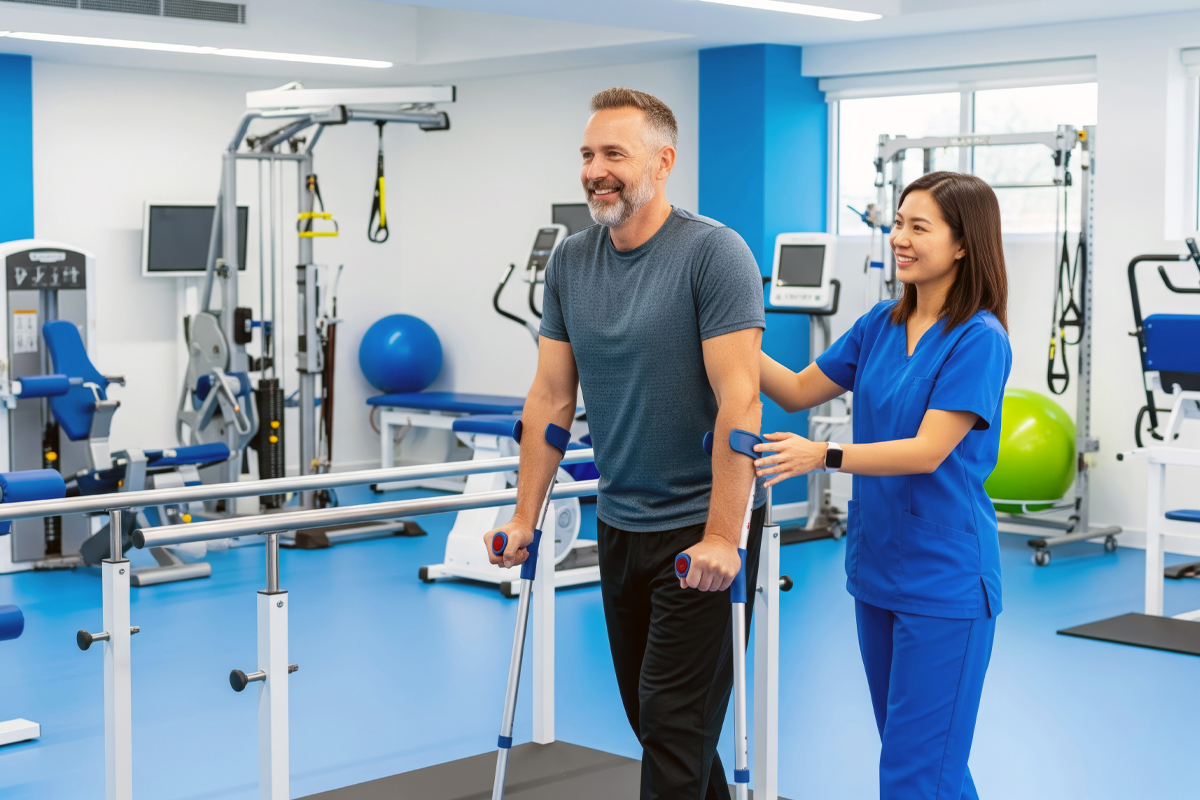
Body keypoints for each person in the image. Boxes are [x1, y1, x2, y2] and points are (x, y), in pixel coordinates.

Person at [484, 87, 766, 799]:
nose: (595, 170)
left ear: (663, 161)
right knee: (658, 723)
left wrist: (724, 537)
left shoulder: (713, 253)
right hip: (621, 522)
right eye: (587, 154)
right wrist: (523, 515)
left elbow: (742, 398)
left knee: (673, 727)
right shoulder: (573, 263)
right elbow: (551, 397)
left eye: (615, 153)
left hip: (700, 530)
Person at [755, 171, 1011, 799]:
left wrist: (825, 454)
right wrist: (723, 333)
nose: (899, 237)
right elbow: (793, 390)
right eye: (898, 222)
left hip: (945, 579)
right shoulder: (878, 324)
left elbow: (927, 452)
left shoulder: (980, 338)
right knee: (921, 758)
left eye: (918, 227)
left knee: (916, 771)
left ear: (961, 245)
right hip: (877, 570)